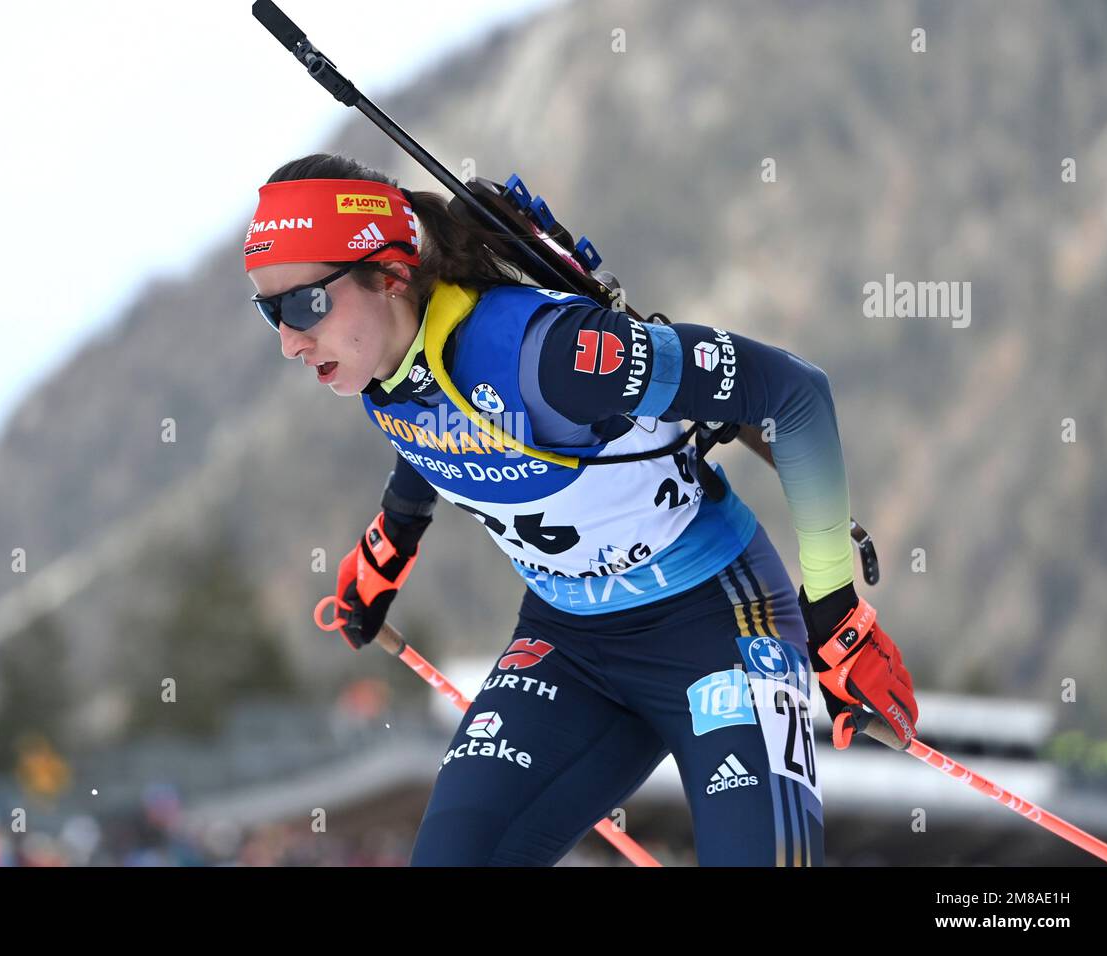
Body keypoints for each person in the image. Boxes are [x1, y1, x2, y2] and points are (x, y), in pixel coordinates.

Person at [244, 152, 920, 866]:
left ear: (390, 275)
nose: (290, 339)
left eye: (304, 304)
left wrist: (835, 613)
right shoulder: (380, 362)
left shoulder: (549, 359)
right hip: (569, 643)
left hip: (717, 625)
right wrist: (390, 545)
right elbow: (432, 431)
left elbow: (793, 392)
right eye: (269, 311)